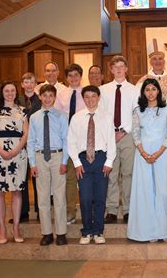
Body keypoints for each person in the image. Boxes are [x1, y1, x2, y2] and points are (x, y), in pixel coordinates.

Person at [127, 79, 167, 242]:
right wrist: (143, 152)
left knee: (163, 191)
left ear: (158, 91)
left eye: (153, 89)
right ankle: (149, 231)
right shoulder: (137, 111)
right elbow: (135, 133)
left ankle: (163, 229)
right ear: (143, 93)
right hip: (143, 155)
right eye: (147, 89)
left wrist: (158, 152)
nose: (150, 92)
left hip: (162, 154)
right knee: (146, 191)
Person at [68, 86, 116, 245]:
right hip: (83, 162)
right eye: (87, 97)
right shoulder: (77, 117)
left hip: (101, 159)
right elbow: (71, 141)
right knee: (86, 197)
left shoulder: (107, 117)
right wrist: (76, 162)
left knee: (100, 197)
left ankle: (98, 231)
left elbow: (111, 140)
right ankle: (87, 231)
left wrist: (109, 161)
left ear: (98, 97)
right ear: (83, 98)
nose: (90, 99)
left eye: (93, 96)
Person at [0, 80, 28, 244]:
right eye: (6, 91)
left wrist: (16, 149)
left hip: (18, 154)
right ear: (1, 93)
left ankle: (16, 227)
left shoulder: (22, 111)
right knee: (0, 192)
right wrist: (1, 150)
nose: (10, 93)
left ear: (16, 93)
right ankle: (2, 228)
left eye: (12, 91)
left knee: (17, 191)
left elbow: (25, 133)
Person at [27, 85, 69, 246]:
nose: (47, 98)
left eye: (50, 95)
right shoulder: (34, 117)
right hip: (40, 158)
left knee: (59, 197)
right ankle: (46, 233)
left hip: (57, 156)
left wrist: (64, 161)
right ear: (40, 97)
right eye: (44, 96)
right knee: (43, 198)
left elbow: (66, 140)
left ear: (55, 97)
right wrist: (32, 164)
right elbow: (30, 142)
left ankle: (61, 233)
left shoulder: (61, 116)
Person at [100, 56, 139, 224]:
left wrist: (123, 131)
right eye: (115, 67)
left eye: (122, 66)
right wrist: (110, 132)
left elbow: (136, 114)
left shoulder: (134, 89)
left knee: (128, 174)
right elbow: (101, 114)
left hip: (127, 135)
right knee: (111, 173)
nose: (118, 69)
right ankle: (112, 209)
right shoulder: (103, 90)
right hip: (109, 136)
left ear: (126, 69)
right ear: (111, 70)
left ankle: (129, 209)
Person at [55, 63, 86, 224]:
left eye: (76, 75)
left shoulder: (88, 93)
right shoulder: (61, 94)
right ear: (66, 78)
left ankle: (90, 210)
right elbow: (57, 118)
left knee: (87, 178)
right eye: (70, 76)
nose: (73, 78)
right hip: (67, 142)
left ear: (81, 76)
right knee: (70, 179)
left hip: (85, 141)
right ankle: (70, 212)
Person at [15, 72, 42, 223]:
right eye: (26, 82)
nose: (29, 84)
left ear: (35, 84)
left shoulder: (41, 99)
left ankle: (40, 211)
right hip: (19, 144)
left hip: (36, 143)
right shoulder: (16, 100)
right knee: (21, 178)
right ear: (22, 84)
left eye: (32, 82)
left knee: (37, 178)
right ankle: (23, 211)